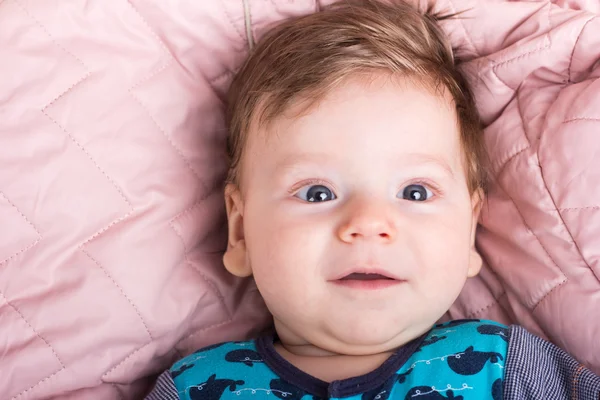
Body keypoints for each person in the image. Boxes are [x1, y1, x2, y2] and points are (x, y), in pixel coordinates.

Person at [146, 0, 600, 398]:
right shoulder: (195, 385)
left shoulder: (508, 366)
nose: (368, 222)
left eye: (415, 192)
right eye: (317, 192)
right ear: (241, 231)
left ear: (469, 233)